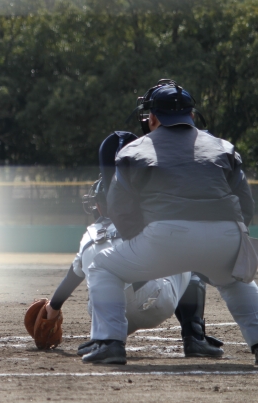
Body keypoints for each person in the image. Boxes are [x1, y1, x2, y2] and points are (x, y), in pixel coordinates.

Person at [82, 80, 258, 365]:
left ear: (152, 118)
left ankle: (111, 343)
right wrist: (233, 237)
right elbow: (245, 203)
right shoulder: (224, 147)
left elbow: (119, 207)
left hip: (165, 236)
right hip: (226, 234)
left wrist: (141, 238)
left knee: (102, 266)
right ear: (192, 115)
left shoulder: (133, 150)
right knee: (238, 281)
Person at [46, 132, 223, 358]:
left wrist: (52, 308)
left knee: (98, 282)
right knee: (187, 258)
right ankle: (194, 337)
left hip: (111, 312)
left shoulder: (88, 234)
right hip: (155, 302)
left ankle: (103, 339)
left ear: (98, 206)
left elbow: (71, 280)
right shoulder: (145, 220)